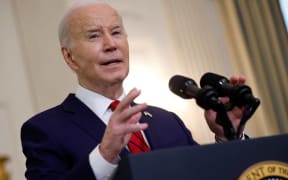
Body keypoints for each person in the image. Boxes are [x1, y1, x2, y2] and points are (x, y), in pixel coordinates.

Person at [20, 0, 247, 179]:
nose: (111, 44)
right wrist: (104, 156)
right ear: (69, 57)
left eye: (116, 32)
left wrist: (227, 135)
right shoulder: (45, 131)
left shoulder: (167, 121)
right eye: (94, 35)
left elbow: (208, 175)